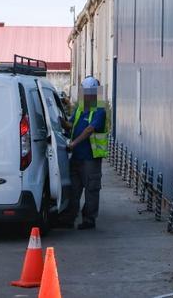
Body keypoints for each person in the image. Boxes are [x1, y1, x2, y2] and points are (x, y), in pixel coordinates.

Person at [61, 76, 108, 230]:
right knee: (73, 189)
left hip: (91, 158)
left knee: (91, 189)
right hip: (76, 157)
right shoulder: (80, 109)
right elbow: (70, 125)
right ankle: (69, 218)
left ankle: (89, 219)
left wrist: (73, 143)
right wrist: (60, 121)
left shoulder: (99, 110)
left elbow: (89, 130)